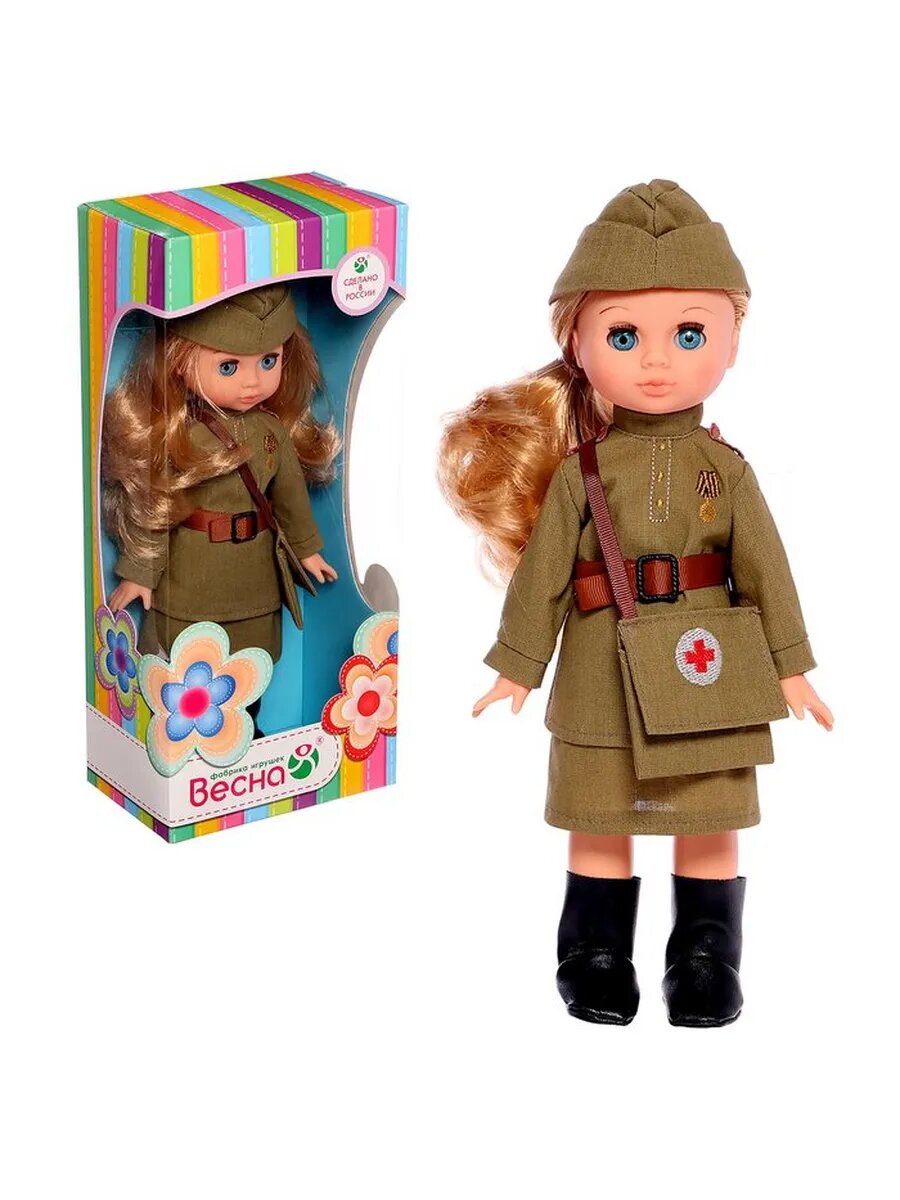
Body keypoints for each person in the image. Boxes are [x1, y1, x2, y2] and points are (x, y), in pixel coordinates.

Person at [439, 180, 833, 1027]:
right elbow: (545, 575)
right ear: (577, 344)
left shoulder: (727, 471)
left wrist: (791, 667)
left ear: (732, 340)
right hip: (599, 667)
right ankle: (595, 952)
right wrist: (517, 667)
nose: (657, 361)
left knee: (710, 816)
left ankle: (706, 956)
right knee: (600, 813)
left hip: (708, 670)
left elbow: (767, 571)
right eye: (624, 335)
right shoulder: (581, 473)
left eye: (689, 334)